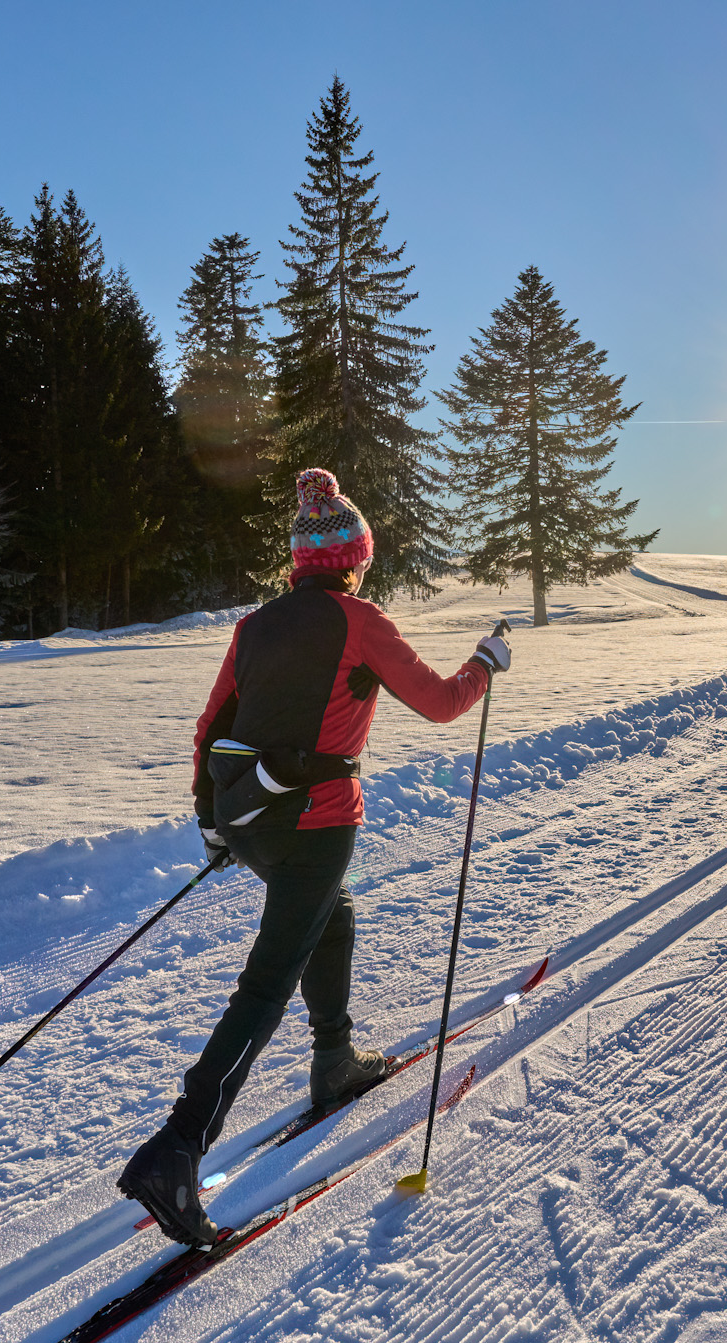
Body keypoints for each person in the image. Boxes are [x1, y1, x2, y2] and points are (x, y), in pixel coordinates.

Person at [118, 468, 513, 1247]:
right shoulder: (360, 620)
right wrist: (486, 664)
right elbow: (439, 703)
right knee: (268, 980)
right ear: (355, 561)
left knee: (333, 913)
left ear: (299, 563)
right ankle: (178, 1148)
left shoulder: (254, 626)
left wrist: (213, 823)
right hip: (318, 822)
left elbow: (209, 728)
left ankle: (334, 1059)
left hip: (254, 817)